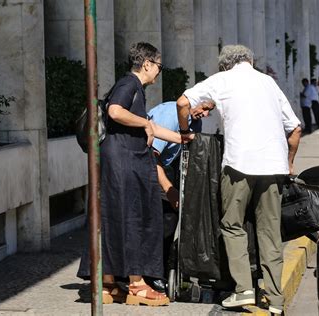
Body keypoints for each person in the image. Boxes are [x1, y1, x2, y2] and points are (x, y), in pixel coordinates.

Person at [176, 45, 301, 315]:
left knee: (232, 224)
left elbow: (182, 103)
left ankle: (244, 289)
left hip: (238, 165)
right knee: (269, 232)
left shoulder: (222, 80)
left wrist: (185, 131)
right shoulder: (268, 82)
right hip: (273, 167)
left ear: (224, 65)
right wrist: (289, 162)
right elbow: (295, 128)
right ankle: (276, 301)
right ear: (250, 61)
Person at [100, 42, 191, 306]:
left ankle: (108, 284)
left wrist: (182, 138)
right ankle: (137, 285)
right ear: (147, 64)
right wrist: (145, 124)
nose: (159, 72)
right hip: (124, 162)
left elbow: (150, 127)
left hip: (120, 160)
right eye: (159, 67)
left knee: (117, 218)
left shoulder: (133, 87)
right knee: (135, 219)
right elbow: (115, 111)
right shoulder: (129, 84)